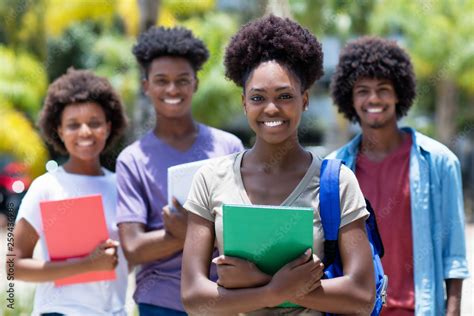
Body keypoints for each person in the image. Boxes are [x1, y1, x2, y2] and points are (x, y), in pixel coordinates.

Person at [181, 15, 376, 315]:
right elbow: (193, 296)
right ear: (244, 102)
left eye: (285, 96)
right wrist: (275, 290)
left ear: (305, 100)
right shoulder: (210, 179)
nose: (271, 108)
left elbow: (362, 296)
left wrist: (262, 284)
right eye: (258, 97)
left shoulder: (337, 182)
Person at [328, 36, 470, 315]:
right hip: (356, 309)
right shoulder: (334, 168)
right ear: (349, 97)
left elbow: (454, 254)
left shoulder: (439, 163)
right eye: (363, 91)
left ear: (398, 93)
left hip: (419, 309)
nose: (374, 99)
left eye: (383, 89)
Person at [116, 26, 244, 315]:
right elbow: (133, 248)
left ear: (195, 83)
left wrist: (186, 232)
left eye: (182, 80)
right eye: (162, 80)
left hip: (221, 296)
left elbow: (242, 231)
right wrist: (189, 234)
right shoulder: (132, 160)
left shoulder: (228, 147)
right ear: (146, 85)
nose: (172, 90)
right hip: (160, 300)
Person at [12, 68, 128, 315]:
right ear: (59, 131)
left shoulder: (122, 186)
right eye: (73, 125)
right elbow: (15, 266)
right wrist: (87, 265)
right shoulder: (46, 187)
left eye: (94, 123)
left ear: (108, 127)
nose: (85, 132)